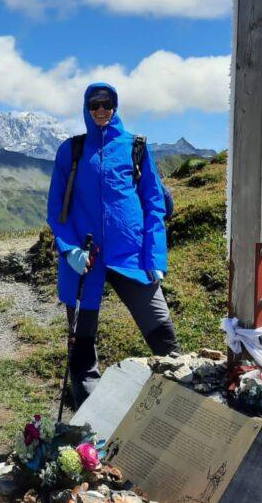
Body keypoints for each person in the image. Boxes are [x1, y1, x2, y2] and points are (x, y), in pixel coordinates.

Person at [47, 81, 180, 408]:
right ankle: (88, 419)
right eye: (95, 105)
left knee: (162, 334)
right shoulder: (71, 151)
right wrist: (69, 249)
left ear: (116, 106)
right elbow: (55, 210)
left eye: (107, 104)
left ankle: (183, 399)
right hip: (84, 259)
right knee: (81, 348)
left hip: (132, 256)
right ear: (86, 108)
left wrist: (155, 258)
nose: (101, 110)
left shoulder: (135, 146)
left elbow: (154, 204)